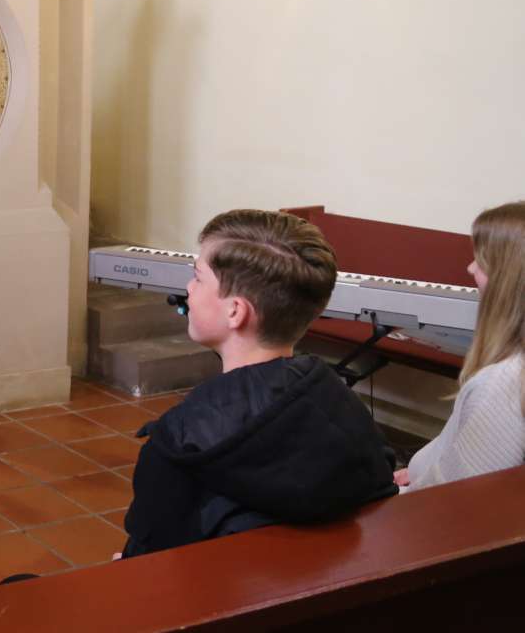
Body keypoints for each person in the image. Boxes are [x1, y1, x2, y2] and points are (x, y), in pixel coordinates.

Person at [119, 208, 397, 558]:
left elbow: (149, 558)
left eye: (198, 277)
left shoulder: (179, 442)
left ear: (235, 312)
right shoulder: (346, 410)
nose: (189, 288)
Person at [398, 200, 525, 490]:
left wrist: (402, 492)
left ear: (507, 279)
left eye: (481, 260)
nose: (470, 268)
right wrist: (420, 470)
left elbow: (457, 502)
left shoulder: (501, 384)